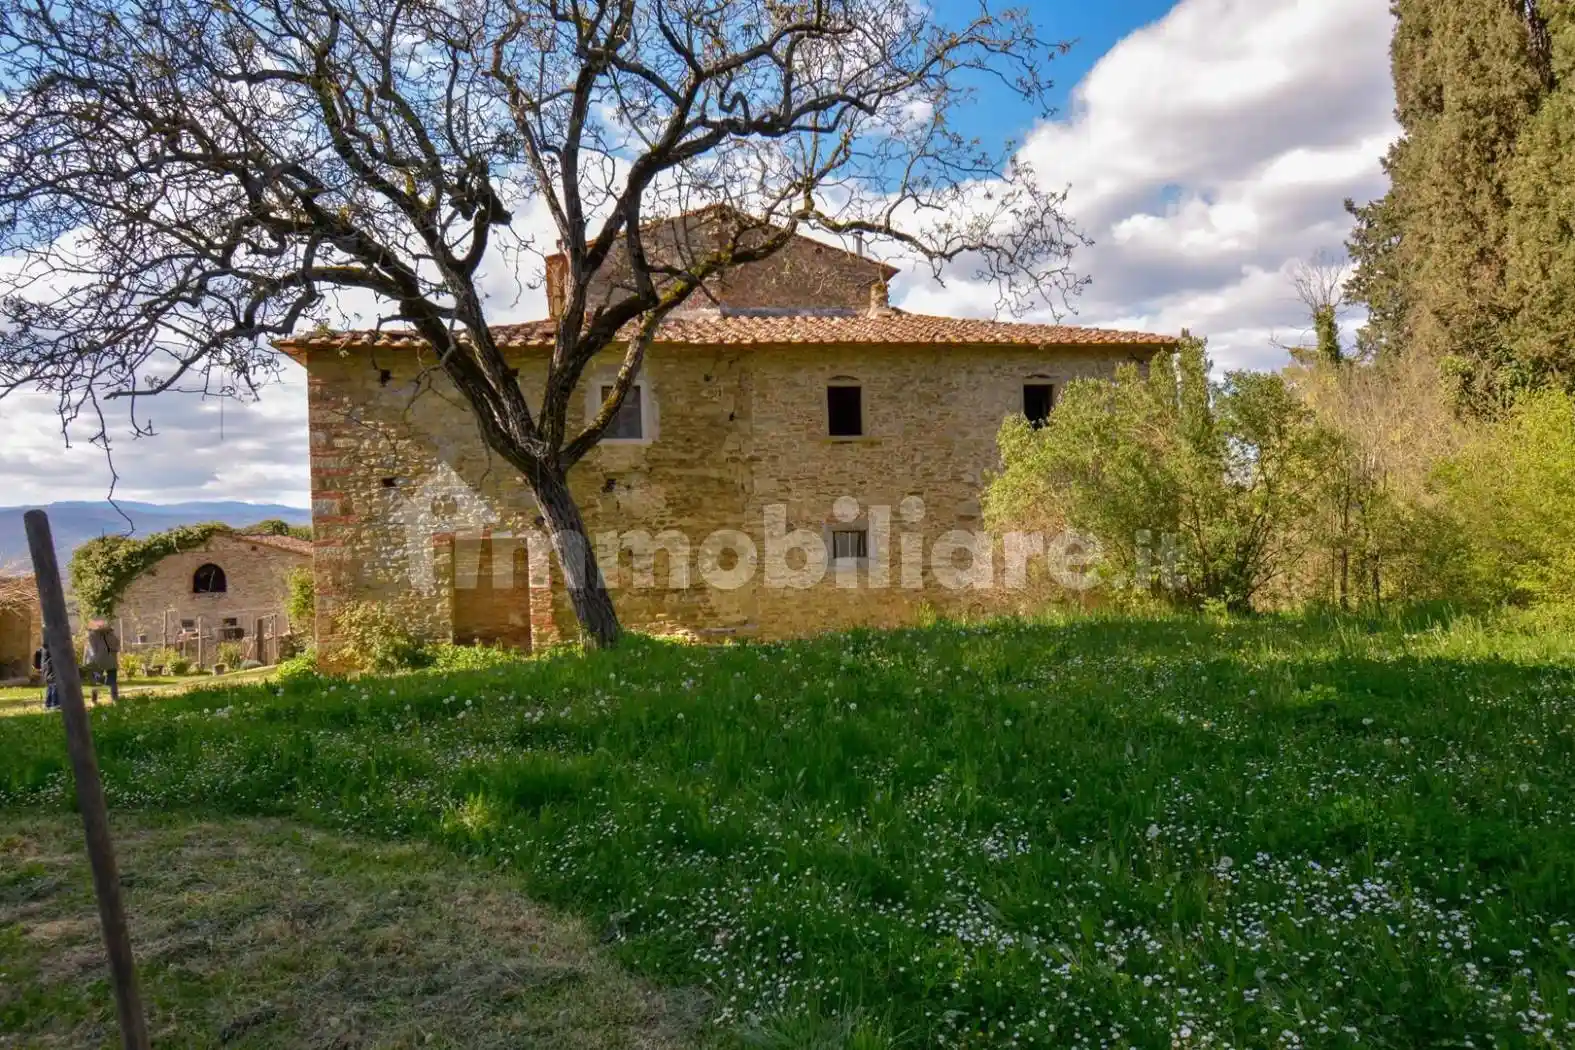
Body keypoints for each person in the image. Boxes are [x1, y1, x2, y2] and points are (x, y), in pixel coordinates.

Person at [83, 619, 121, 702]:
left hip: (97, 661)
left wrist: (86, 663)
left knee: (95, 680)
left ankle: (94, 700)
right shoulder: (111, 634)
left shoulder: (91, 635)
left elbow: (89, 651)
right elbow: (117, 645)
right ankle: (115, 699)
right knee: (112, 680)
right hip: (111, 660)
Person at [32, 643, 58, 711]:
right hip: (51, 667)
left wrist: (37, 666)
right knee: (55, 684)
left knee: (50, 685)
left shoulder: (43, 647)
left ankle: (48, 704)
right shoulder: (53, 646)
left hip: (46, 668)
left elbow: (37, 653)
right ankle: (55, 703)